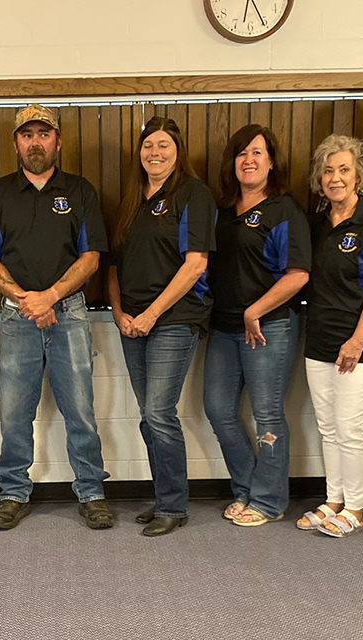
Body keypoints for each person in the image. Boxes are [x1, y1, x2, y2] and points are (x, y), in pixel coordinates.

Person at [0, 104, 114, 531]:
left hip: (68, 313)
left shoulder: (80, 191)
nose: (35, 142)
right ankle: (13, 492)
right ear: (16, 142)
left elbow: (91, 257)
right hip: (18, 317)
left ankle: (91, 491)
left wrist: (50, 295)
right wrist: (25, 298)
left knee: (80, 410)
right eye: (27, 134)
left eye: (43, 134)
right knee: (14, 411)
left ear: (58, 140)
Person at [109, 116, 216, 537]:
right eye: (148, 145)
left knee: (158, 411)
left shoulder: (193, 194)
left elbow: (196, 264)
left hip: (174, 318)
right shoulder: (132, 199)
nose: (155, 153)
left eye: (164, 145)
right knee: (148, 415)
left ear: (178, 150)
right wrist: (119, 314)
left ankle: (174, 504)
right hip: (131, 322)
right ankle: (163, 497)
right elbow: (114, 264)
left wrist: (152, 313)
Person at [203, 124, 309, 528]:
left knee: (268, 415)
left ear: (271, 162)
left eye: (258, 153)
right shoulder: (221, 212)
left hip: (269, 328)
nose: (249, 160)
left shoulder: (285, 209)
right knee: (217, 409)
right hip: (225, 329)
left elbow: (298, 273)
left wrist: (256, 311)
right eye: (242, 153)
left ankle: (269, 501)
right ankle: (248, 485)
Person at [296, 135, 363, 538]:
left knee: (351, 428)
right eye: (327, 170)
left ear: (358, 175)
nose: (335, 178)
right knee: (328, 427)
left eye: (343, 169)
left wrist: (356, 341)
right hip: (319, 341)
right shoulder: (318, 224)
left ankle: (355, 507)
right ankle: (333, 500)